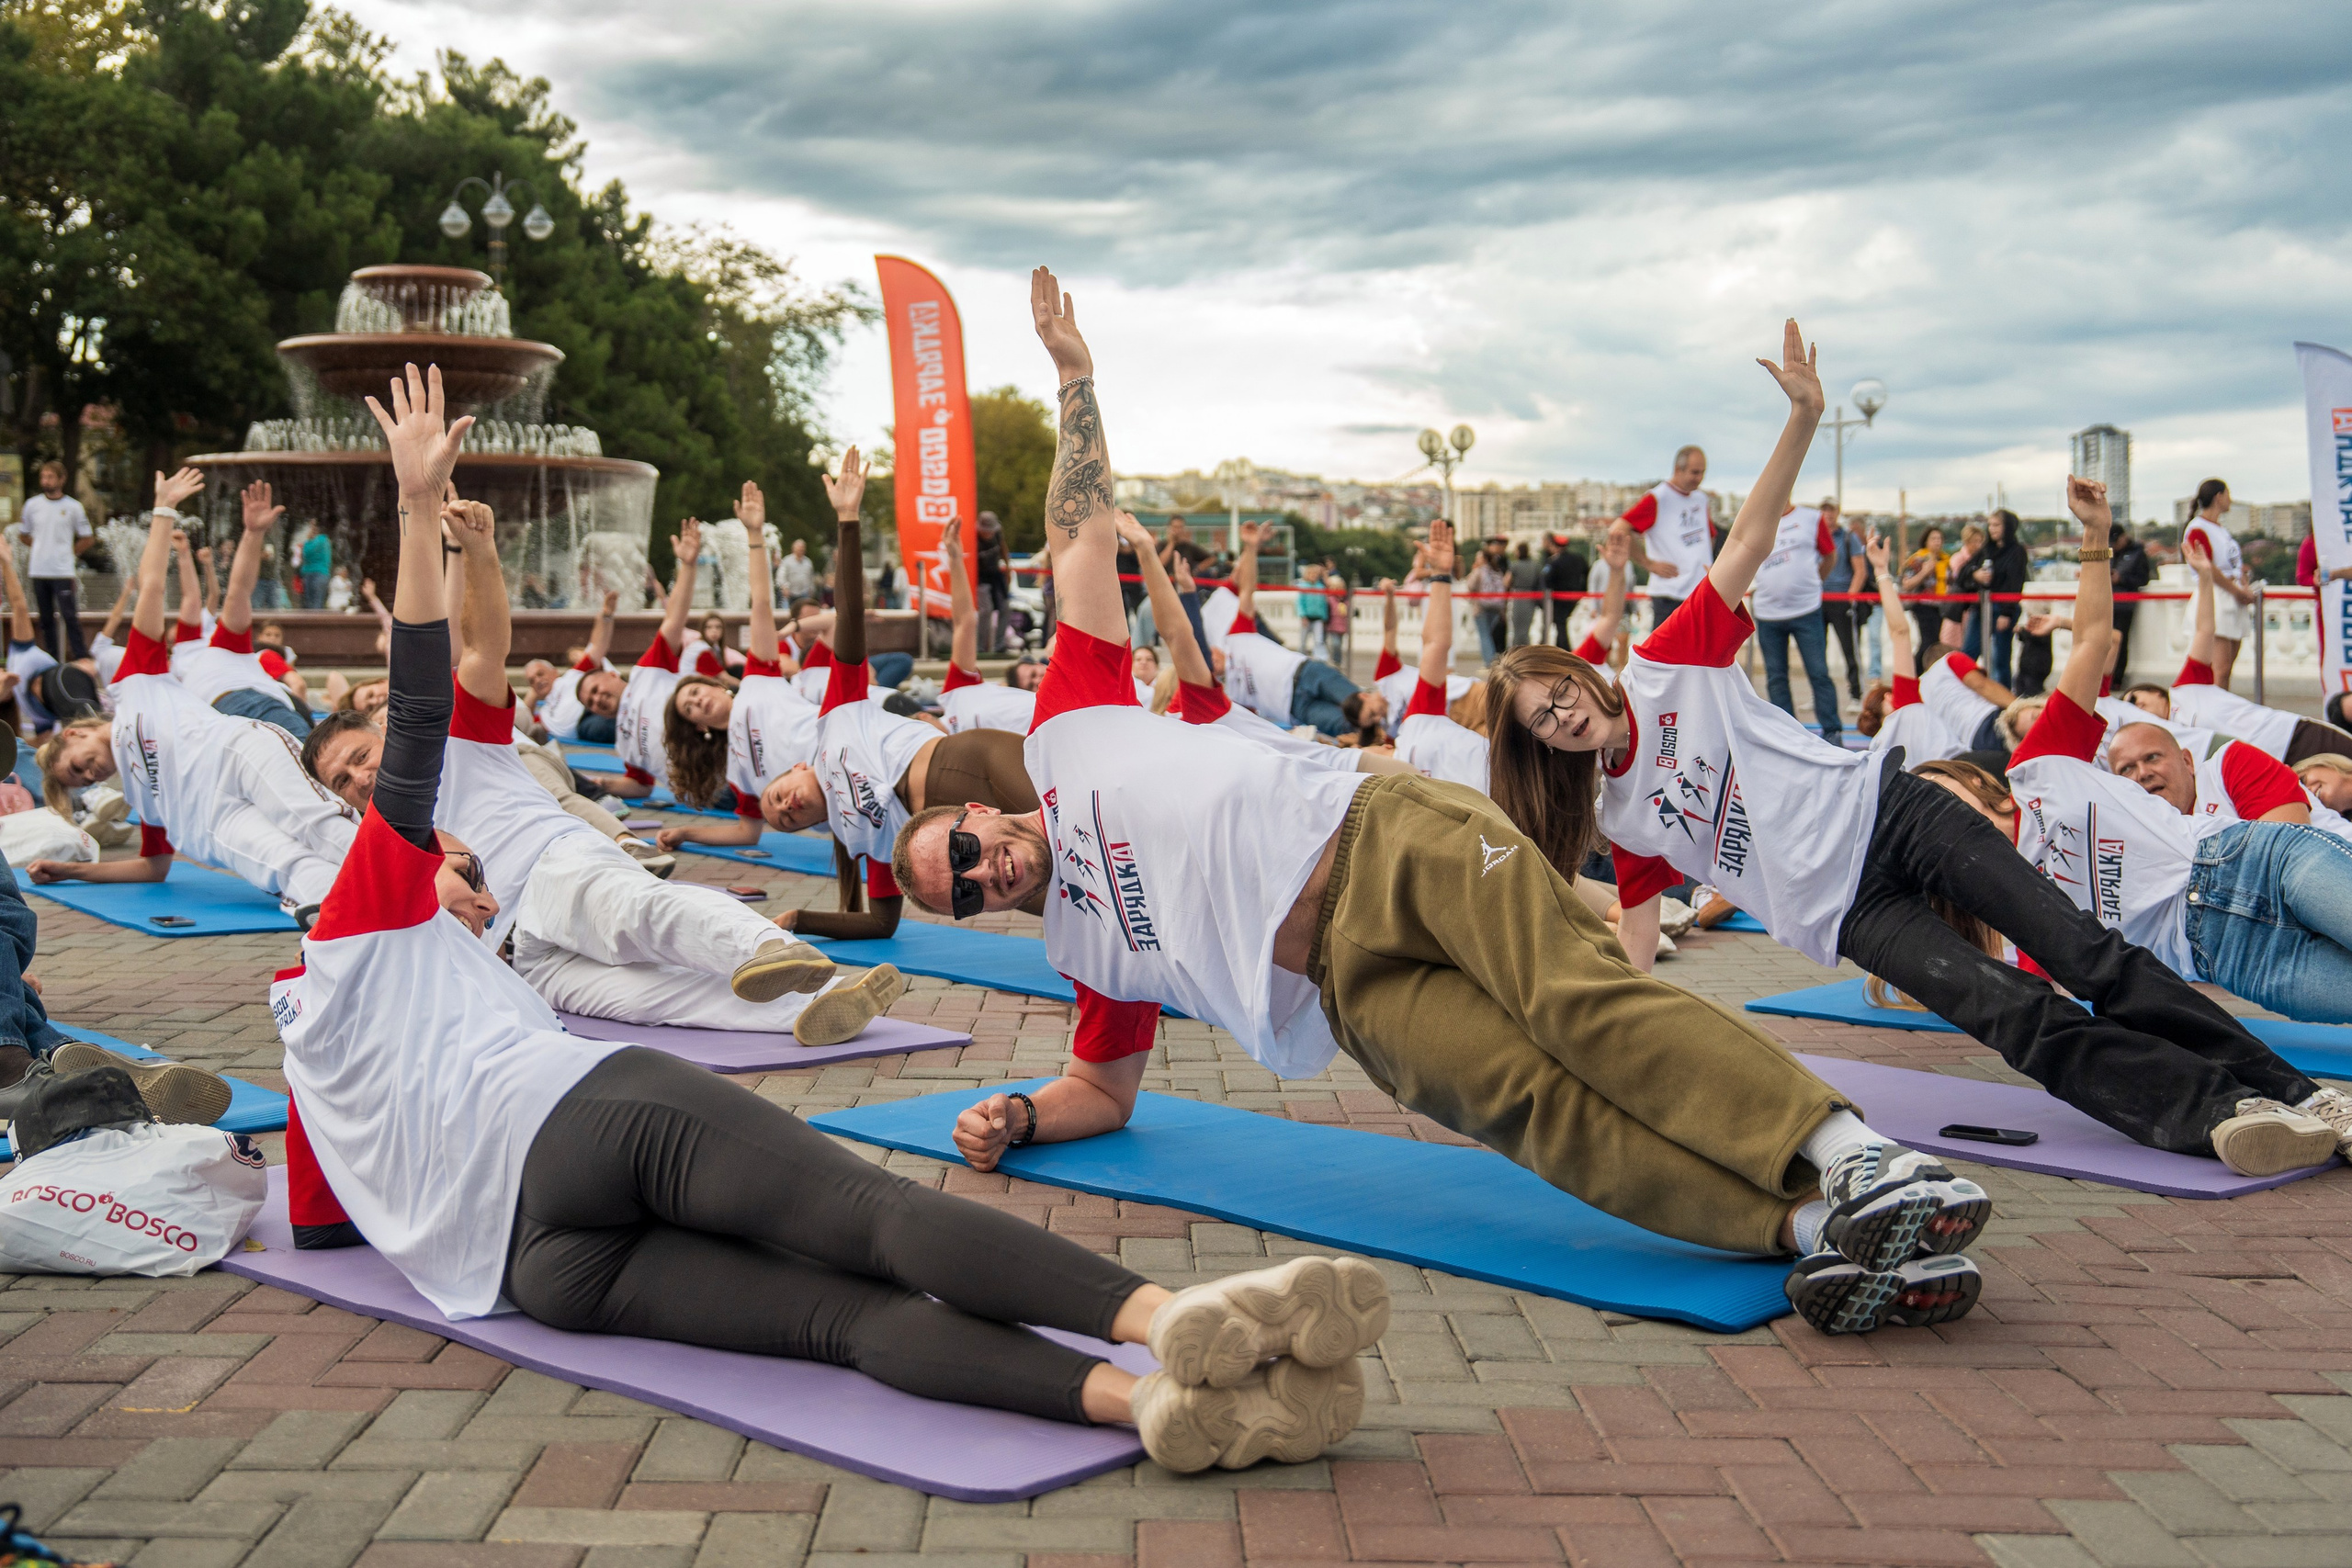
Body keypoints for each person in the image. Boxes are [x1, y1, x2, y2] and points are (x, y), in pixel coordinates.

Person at [278, 364, 1377, 1476]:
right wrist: (414, 505)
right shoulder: (363, 914)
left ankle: (1136, 1405)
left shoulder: (304, 1034)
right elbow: (416, 714)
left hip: (525, 1274)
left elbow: (319, 1227)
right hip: (578, 1121)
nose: (453, 871)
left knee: (840, 1325)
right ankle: (1164, 1321)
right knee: (875, 1221)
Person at [897, 274, 1991, 1337]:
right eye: (962, 898)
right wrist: (1020, 1115)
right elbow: (1102, 1087)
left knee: (1575, 1004)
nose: (982, 876)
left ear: (977, 814)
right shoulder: (1083, 946)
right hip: (1346, 985)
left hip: (1385, 842)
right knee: (1539, 1117)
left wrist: (1073, 380)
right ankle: (1818, 1230)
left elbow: (1080, 537)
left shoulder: (1066, 729)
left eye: (962, 851)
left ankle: (1858, 1158)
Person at [1479, 321, 2349, 1179]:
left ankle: (2300, 1094)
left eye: (1559, 694)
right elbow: (1636, 936)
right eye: (1542, 723)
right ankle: (2221, 1115)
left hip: (1897, 814)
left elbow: (1746, 541)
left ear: (1578, 675)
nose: (1562, 717)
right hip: (1846, 911)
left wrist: (1804, 418)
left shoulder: (1666, 664)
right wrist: (1600, 1037)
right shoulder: (1622, 817)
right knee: (2014, 1016)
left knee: (2087, 953)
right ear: (1540, 747)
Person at [697, 456, 1042, 944]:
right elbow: (881, 923)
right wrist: (795, 919)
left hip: (966, 765)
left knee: (1080, 828)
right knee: (1069, 899)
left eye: (778, 797)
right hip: (964, 842)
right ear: (812, 827)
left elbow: (850, 620)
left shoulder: (834, 718)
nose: (789, 806)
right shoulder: (858, 837)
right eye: (788, 819)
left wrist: (848, 520)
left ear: (796, 768)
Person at [30, 467, 358, 919]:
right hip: (213, 822)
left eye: (77, 767)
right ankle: (341, 920)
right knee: (284, 865)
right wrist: (71, 871)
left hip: (236, 751)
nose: (90, 775)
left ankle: (426, 884)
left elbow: (153, 588)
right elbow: (154, 867)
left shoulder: (133, 685)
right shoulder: (142, 801)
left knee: (317, 824)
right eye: (84, 782)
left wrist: (163, 510)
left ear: (74, 734)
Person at [2119, 543, 2352, 764]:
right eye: (2131, 711)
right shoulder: (2170, 746)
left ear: (2155, 692)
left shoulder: (2187, 686)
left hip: (2292, 737)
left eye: (2134, 699)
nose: (2136, 708)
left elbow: (2204, 630)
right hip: (2269, 771)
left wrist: (2206, 576)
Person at [543, 521, 721, 797]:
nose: (597, 699)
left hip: (723, 760)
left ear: (611, 674)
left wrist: (688, 566)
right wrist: (603, 784)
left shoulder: (646, 672)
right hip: (707, 794)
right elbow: (641, 786)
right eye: (591, 702)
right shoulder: (623, 745)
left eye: (595, 690)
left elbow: (673, 622)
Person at [172, 481, 317, 739]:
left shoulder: (218, 647)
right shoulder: (180, 663)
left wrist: (253, 534)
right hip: (226, 716)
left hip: (251, 704)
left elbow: (233, 593)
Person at [1214, 525, 1384, 739]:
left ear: (1214, 647)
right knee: (1352, 727)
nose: (1211, 661)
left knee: (1364, 708)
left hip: (1306, 673)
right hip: (1296, 708)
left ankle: (1396, 730)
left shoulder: (1236, 636)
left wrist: (1251, 547)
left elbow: (1246, 589)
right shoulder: (1229, 694)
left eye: (1208, 654)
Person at [1851, 536, 1966, 763]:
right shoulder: (1904, 707)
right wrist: (1881, 571)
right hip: (1960, 767)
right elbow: (1900, 632)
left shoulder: (1879, 753)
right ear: (1889, 697)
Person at [1749, 502, 1841, 746]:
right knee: (1776, 677)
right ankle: (1787, 733)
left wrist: (1814, 583)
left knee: (1819, 673)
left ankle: (1832, 731)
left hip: (1806, 609)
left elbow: (1830, 555)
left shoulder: (1811, 517)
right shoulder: (1753, 518)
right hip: (1768, 613)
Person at [1618, 446, 1714, 630]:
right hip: (1670, 594)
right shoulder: (1659, 497)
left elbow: (1710, 536)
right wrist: (1648, 564)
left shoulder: (1701, 499)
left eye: (1703, 472)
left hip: (1701, 592)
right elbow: (1620, 529)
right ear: (1678, 469)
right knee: (1667, 649)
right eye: (1695, 472)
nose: (1700, 478)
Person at [15, 461, 93, 663]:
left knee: (69, 616)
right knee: (46, 618)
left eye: (50, 477)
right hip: (39, 570)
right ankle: (52, 659)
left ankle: (81, 657)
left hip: (62, 571)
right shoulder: (32, 505)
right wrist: (41, 547)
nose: (46, 481)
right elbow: (23, 535)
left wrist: (69, 553)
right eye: (43, 477)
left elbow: (87, 537)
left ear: (61, 479)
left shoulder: (73, 507)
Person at [2182, 480, 2256, 686]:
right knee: (2219, 669)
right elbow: (2207, 567)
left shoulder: (2220, 529)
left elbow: (2234, 565)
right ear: (2218, 496)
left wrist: (2243, 586)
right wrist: (2236, 591)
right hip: (2215, 596)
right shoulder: (2198, 528)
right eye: (2227, 494)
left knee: (2227, 668)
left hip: (2231, 595)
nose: (2230, 499)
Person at [1967, 510, 2028, 688]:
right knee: (1969, 652)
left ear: (2007, 527)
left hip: (2002, 608)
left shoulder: (2017, 551)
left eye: (1996, 525)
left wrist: (2006, 613)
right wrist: (1976, 575)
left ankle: (2002, 696)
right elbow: (1965, 571)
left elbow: (2015, 583)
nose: (1992, 529)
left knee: (2000, 659)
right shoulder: (1986, 549)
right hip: (1981, 607)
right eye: (1990, 525)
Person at [1821, 502, 1870, 699]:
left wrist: (1850, 597)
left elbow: (1860, 570)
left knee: (1849, 650)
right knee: (1816, 652)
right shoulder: (1815, 535)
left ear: (1837, 513)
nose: (1828, 514)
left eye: (1831, 510)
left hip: (1841, 598)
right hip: (1817, 599)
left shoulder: (1848, 538)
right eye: (1824, 510)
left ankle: (1856, 694)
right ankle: (1820, 696)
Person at [2109, 522, 2150, 685]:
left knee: (2120, 641)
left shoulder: (2137, 553)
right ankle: (2106, 676)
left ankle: (2117, 678)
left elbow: (2143, 579)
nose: (2114, 545)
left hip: (2125, 604)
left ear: (2124, 537)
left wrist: (2121, 579)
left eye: (2116, 541)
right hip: (2109, 602)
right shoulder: (2110, 552)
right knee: (2105, 640)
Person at [1899, 526, 1949, 661]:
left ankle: (1926, 669)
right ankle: (1916, 669)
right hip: (1922, 605)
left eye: (1939, 539)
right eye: (1933, 538)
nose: (1937, 542)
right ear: (1926, 541)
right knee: (1928, 642)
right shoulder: (1917, 560)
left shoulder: (1944, 560)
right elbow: (1906, 584)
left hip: (1940, 606)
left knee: (1935, 642)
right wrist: (1924, 572)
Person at [972, 512, 1012, 659]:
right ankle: (980, 646)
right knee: (986, 609)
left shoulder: (997, 535)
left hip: (995, 575)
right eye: (985, 531)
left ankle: (999, 644)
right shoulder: (973, 538)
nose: (988, 534)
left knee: (1005, 607)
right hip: (980, 576)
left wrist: (1008, 569)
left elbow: (1003, 549)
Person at [1467, 536, 1510, 664]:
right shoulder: (1497, 571)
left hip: (1481, 606)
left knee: (1484, 635)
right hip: (1496, 606)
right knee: (1489, 634)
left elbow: (1470, 585)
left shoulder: (1480, 571)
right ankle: (1493, 660)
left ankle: (1489, 662)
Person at [1543, 534, 1589, 649]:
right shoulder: (1579, 558)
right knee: (1565, 623)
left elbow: (1546, 579)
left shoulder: (1554, 561)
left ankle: (1565, 648)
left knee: (1560, 623)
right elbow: (1587, 573)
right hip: (1575, 596)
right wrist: (1583, 590)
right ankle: (1560, 646)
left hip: (1559, 597)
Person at [1507, 541, 1543, 649]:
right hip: (1531, 597)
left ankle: (1516, 650)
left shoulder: (1515, 565)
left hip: (1518, 597)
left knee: (1517, 629)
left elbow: (1506, 581)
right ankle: (1526, 650)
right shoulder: (1535, 565)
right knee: (1526, 629)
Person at [1295, 560, 1332, 662]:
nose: (1314, 576)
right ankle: (1300, 659)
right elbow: (1300, 603)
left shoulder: (1321, 587)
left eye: (1316, 574)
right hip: (1307, 616)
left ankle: (1319, 660)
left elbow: (1323, 603)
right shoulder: (1303, 586)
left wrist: (1324, 617)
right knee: (1303, 640)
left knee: (1319, 640)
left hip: (1318, 617)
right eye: (1312, 573)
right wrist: (1302, 615)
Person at [298, 524, 333, 610]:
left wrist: (308, 541)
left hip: (317, 573)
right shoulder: (324, 540)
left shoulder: (321, 539)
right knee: (313, 602)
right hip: (316, 573)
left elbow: (306, 553)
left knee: (314, 602)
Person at [777, 536, 818, 606]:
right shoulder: (787, 561)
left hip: (804, 593)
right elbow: (781, 575)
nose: (800, 549)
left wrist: (811, 589)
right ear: (793, 548)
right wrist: (784, 587)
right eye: (799, 547)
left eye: (802, 547)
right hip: (790, 593)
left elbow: (811, 577)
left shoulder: (808, 562)